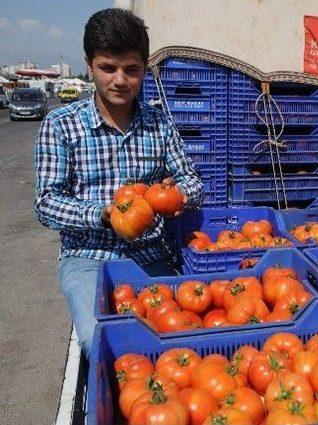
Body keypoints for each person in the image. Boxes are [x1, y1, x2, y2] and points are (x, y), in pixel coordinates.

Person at [33, 8, 203, 356]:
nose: (120, 80)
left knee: (182, 334)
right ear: (89, 64)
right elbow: (47, 203)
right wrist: (105, 214)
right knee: (99, 339)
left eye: (132, 70)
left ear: (144, 68)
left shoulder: (160, 123)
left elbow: (193, 182)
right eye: (108, 68)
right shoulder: (62, 125)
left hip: (152, 252)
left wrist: (169, 197)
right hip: (87, 255)